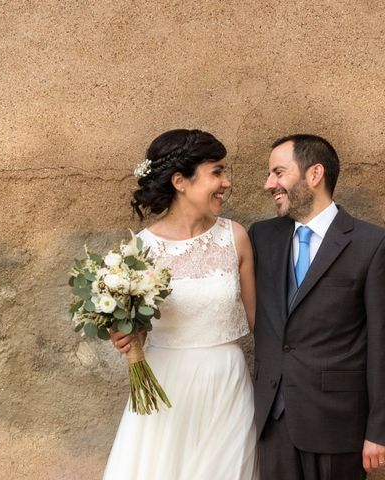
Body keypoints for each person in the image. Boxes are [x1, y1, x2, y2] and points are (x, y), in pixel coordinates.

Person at [106, 129, 258, 479]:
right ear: (180, 181)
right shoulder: (140, 250)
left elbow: (260, 324)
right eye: (216, 172)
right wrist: (125, 337)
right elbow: (137, 333)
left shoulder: (235, 238)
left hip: (227, 385)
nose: (227, 182)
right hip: (165, 387)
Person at [249, 134, 385, 479]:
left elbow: (382, 343)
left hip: (338, 423)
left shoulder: (372, 244)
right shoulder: (261, 237)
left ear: (314, 174)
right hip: (274, 420)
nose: (269, 184)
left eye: (278, 173)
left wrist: (378, 430)